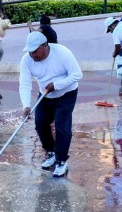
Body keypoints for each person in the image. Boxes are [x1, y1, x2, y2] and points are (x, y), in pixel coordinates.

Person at [19, 31, 83, 178]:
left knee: (62, 125)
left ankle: (61, 160)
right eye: (30, 51)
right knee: (40, 124)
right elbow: (24, 83)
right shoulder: (27, 60)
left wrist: (57, 85)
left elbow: (77, 74)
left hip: (67, 93)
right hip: (45, 94)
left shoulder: (62, 52)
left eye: (35, 51)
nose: (32, 55)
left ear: (45, 46)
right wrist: (26, 105)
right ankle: (51, 152)